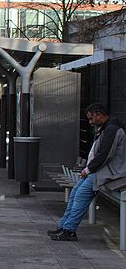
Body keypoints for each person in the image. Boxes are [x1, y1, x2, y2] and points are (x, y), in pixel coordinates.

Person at [49, 103, 126, 241]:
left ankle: (69, 229)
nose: (90, 122)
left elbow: (104, 154)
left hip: (107, 172)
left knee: (80, 195)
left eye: (91, 119)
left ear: (99, 115)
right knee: (75, 193)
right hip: (99, 171)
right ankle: (63, 226)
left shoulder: (112, 129)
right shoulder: (105, 128)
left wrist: (88, 169)